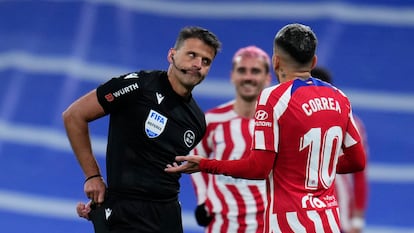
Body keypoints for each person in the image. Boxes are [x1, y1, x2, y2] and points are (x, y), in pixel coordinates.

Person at [165, 23, 366, 233]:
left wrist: (206, 164)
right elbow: (357, 161)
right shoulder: (339, 97)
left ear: (275, 62)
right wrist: (310, 167)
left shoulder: (275, 98)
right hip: (328, 223)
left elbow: (259, 168)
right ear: (313, 61)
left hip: (288, 224)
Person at [63, 26, 221, 233]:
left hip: (167, 216)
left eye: (206, 61)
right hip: (124, 212)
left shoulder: (198, 122)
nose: (197, 65)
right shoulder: (139, 86)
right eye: (192, 55)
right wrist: (93, 177)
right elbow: (74, 115)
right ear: (171, 55)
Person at [191, 45, 271, 233]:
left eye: (255, 71)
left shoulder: (281, 123)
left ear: (268, 78)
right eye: (242, 70)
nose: (248, 77)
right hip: (222, 226)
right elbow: (195, 160)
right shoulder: (211, 120)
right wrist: (203, 199)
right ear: (232, 76)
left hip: (269, 226)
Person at [311, 67, 369, 233]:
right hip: (301, 211)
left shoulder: (351, 122)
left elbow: (360, 172)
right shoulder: (290, 118)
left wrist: (357, 220)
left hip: (338, 213)